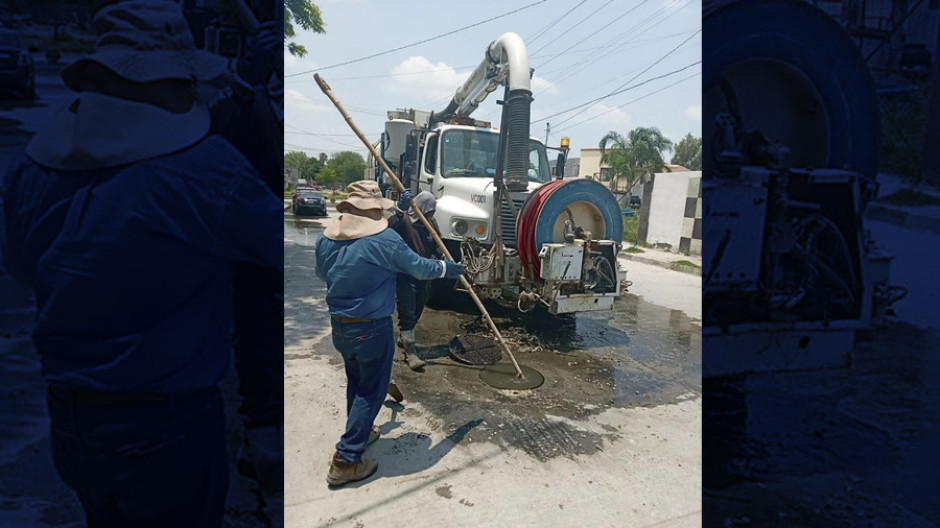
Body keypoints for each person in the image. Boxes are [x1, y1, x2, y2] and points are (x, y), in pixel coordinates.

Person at [0, 2, 282, 526]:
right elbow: (282, 250)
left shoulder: (28, 172)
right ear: (171, 80)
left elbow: (21, 269)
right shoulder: (205, 174)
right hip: (167, 430)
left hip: (70, 422)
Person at [315, 181, 466, 487]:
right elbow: (419, 268)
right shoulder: (383, 241)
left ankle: (362, 429)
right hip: (370, 328)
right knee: (371, 389)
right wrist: (448, 269)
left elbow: (322, 275)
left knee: (357, 383)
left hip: (340, 326)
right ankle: (346, 460)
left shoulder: (326, 240)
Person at [388, 190, 441, 370]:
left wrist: (443, 259)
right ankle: (411, 353)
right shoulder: (404, 221)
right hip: (405, 274)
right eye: (429, 210)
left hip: (424, 274)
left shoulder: (431, 224)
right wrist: (399, 210)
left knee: (419, 307)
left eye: (433, 211)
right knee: (407, 310)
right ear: (421, 208)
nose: (431, 214)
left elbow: (437, 245)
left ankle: (405, 336)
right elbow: (388, 231)